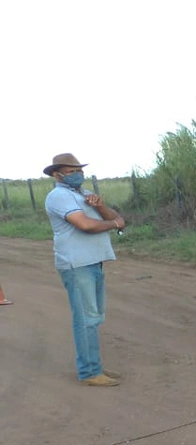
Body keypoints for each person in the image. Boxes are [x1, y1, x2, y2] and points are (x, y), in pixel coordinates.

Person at [43, 152, 125, 386]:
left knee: (94, 317)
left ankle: (93, 365)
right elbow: (85, 225)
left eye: (79, 170)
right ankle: (89, 371)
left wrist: (101, 209)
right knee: (85, 318)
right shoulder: (58, 197)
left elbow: (118, 218)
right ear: (57, 175)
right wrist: (113, 224)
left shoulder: (85, 194)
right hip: (76, 263)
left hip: (93, 260)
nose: (77, 175)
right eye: (71, 172)